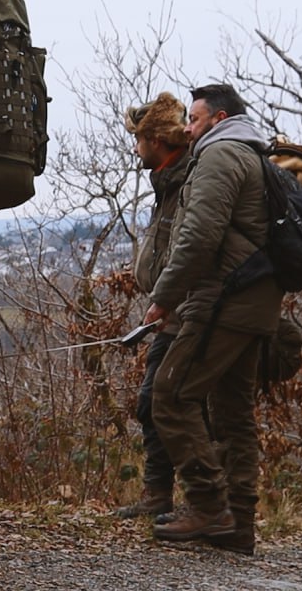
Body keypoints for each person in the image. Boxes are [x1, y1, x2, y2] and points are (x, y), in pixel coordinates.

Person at [143, 84, 283, 554]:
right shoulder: (253, 154)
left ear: (218, 119)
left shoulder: (221, 155)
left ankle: (208, 505)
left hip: (225, 299)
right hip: (255, 303)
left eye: (195, 119)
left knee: (171, 393)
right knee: (233, 412)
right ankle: (238, 523)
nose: (187, 128)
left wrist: (164, 297)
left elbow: (200, 235)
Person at [117, 92, 191, 519]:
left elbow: (188, 249)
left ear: (156, 140)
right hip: (167, 314)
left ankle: (202, 500)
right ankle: (157, 495)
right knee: (151, 403)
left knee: (172, 403)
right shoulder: (166, 182)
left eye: (139, 140)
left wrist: (166, 300)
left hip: (183, 314)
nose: (135, 148)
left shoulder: (186, 183)